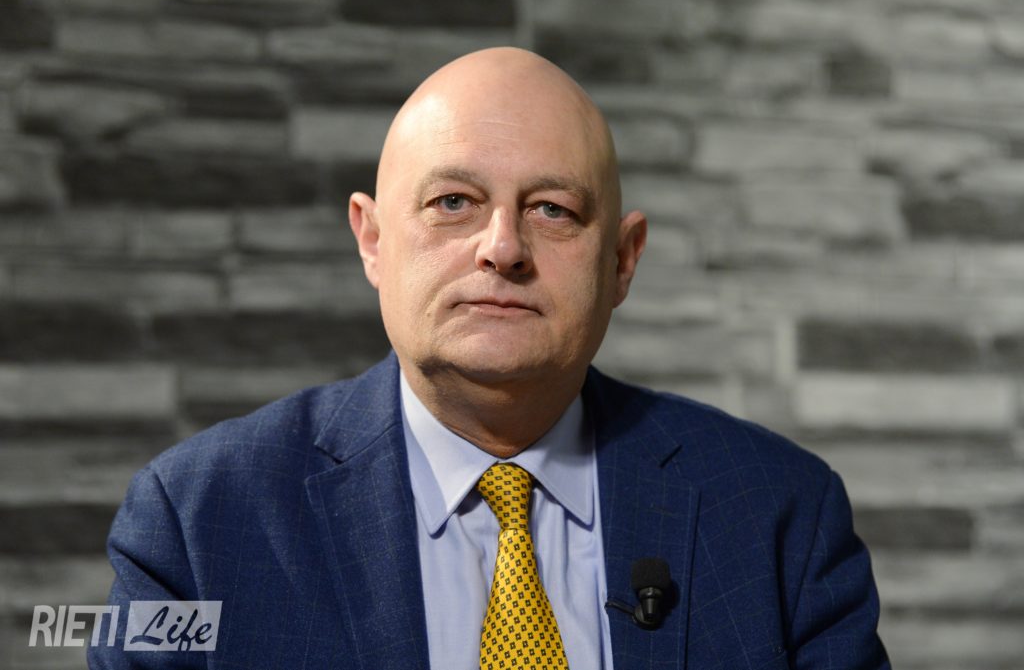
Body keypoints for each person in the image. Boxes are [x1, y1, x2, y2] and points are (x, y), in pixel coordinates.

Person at [89, 48, 890, 670]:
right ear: (372, 240)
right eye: (453, 203)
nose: (502, 248)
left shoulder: (780, 515)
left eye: (552, 209)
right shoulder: (195, 523)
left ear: (622, 260)